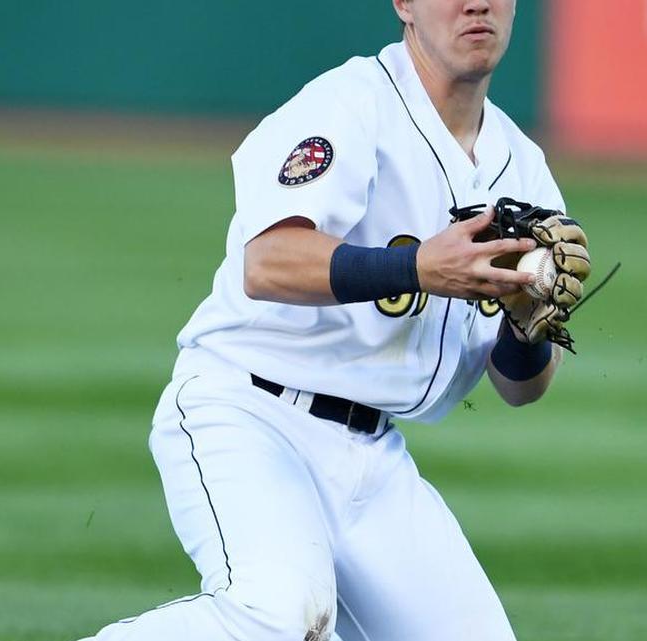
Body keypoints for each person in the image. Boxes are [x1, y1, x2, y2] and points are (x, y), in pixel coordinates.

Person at [79, 1, 589, 639]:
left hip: (373, 460)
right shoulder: (351, 106)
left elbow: (522, 387)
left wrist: (524, 320)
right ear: (404, 3)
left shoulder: (522, 166)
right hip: (251, 413)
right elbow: (266, 263)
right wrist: (416, 270)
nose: (477, 2)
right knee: (278, 613)